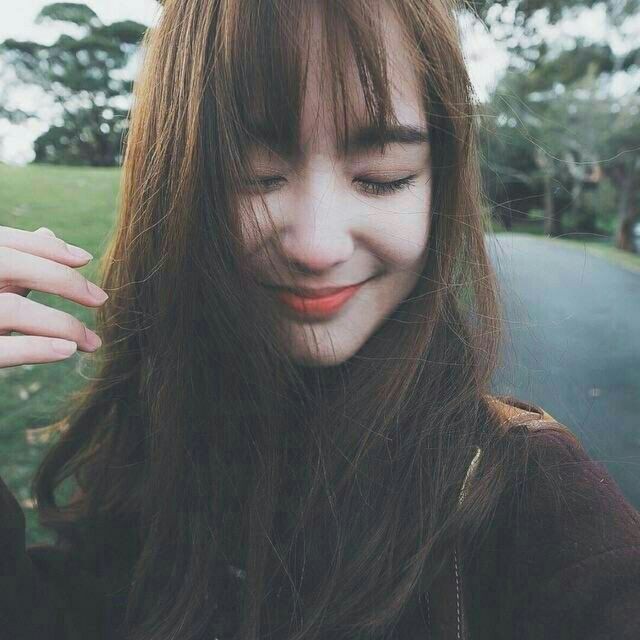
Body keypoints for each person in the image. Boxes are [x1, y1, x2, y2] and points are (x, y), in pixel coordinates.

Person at [1, 0, 639, 638]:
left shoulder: (540, 506)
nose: (317, 246)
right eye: (255, 174)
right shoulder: (156, 426)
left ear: (437, 185)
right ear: (175, 184)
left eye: (383, 177)